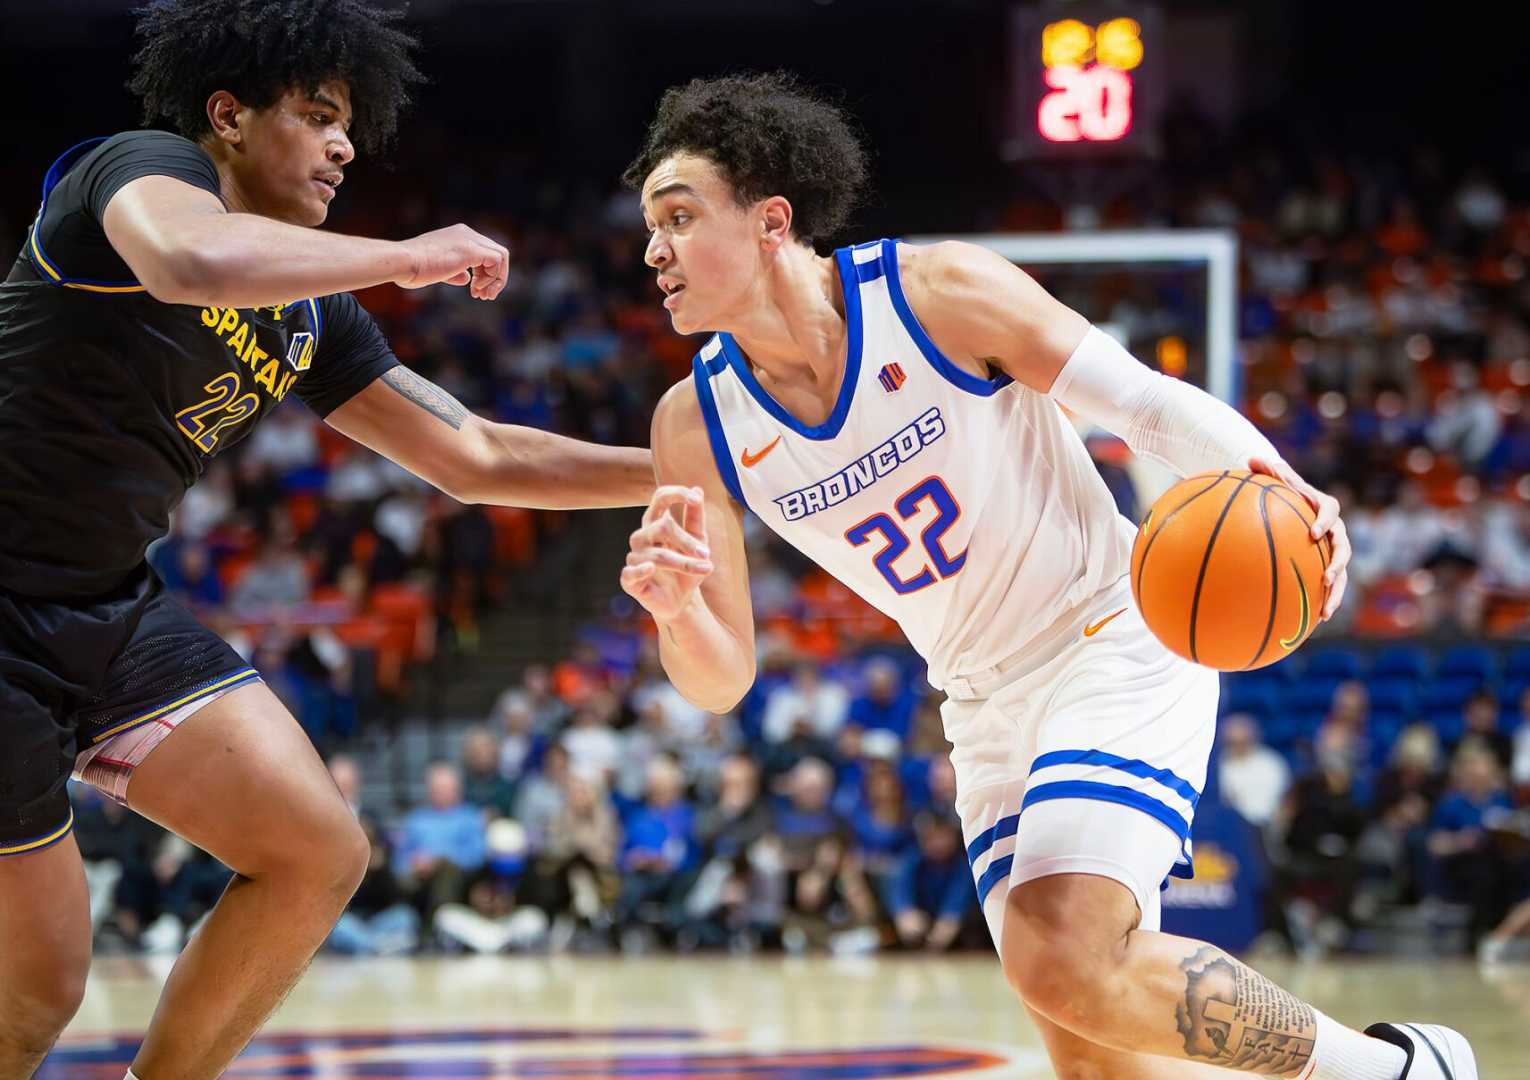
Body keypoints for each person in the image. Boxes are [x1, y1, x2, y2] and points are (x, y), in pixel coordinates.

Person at [617, 71, 1471, 1079]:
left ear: (770, 222)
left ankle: (1403, 1072)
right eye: (648, 227)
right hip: (980, 704)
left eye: (678, 216)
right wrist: (676, 616)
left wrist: (1280, 484)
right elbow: (722, 680)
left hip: (1106, 634)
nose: (653, 250)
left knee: (1061, 950)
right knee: (1088, 1040)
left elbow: (1144, 405)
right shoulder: (695, 424)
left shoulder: (936, 294)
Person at [0, 4, 653, 1078]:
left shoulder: (310, 310)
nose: (347, 145)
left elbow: (477, 456)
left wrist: (706, 477)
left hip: (105, 604)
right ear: (229, 115)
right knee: (39, 985)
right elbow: (187, 260)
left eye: (348, 122)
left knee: (316, 852)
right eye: (316, 115)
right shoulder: (143, 168)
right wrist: (404, 253)